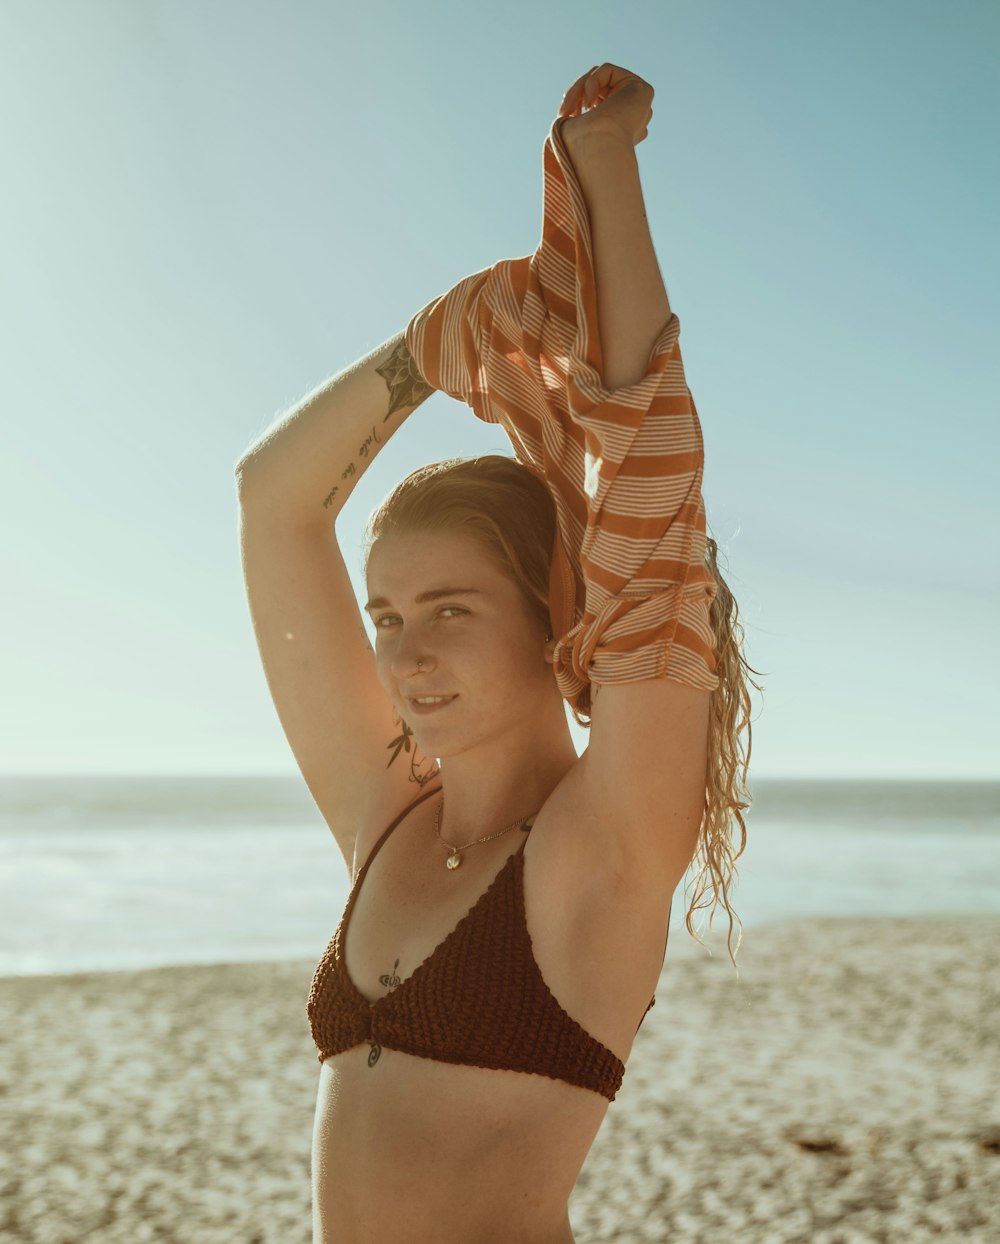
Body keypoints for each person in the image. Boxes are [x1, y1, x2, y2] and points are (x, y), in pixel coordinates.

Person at [236, 62, 758, 1244]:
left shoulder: (602, 841)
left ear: (551, 615)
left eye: (450, 609)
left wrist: (606, 181)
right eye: (385, 616)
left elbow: (647, 482)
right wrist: (440, 345)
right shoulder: (387, 814)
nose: (405, 653)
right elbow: (273, 499)